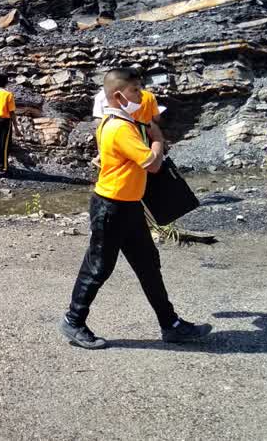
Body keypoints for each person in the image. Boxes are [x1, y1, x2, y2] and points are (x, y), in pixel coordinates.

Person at [60, 68, 211, 349]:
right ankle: (73, 320)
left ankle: (171, 324)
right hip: (111, 207)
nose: (141, 96)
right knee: (98, 268)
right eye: (135, 91)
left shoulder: (121, 122)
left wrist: (149, 130)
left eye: (141, 90)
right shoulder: (119, 128)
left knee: (148, 265)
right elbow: (152, 164)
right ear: (118, 96)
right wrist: (157, 139)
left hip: (128, 206)